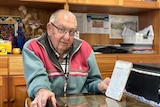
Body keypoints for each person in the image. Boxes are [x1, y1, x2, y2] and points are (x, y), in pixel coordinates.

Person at [22, 9, 110, 107]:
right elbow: (37, 78)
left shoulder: (85, 48)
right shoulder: (33, 47)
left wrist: (100, 86)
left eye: (72, 32)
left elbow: (92, 82)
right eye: (61, 30)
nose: (67, 37)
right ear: (49, 28)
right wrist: (42, 90)